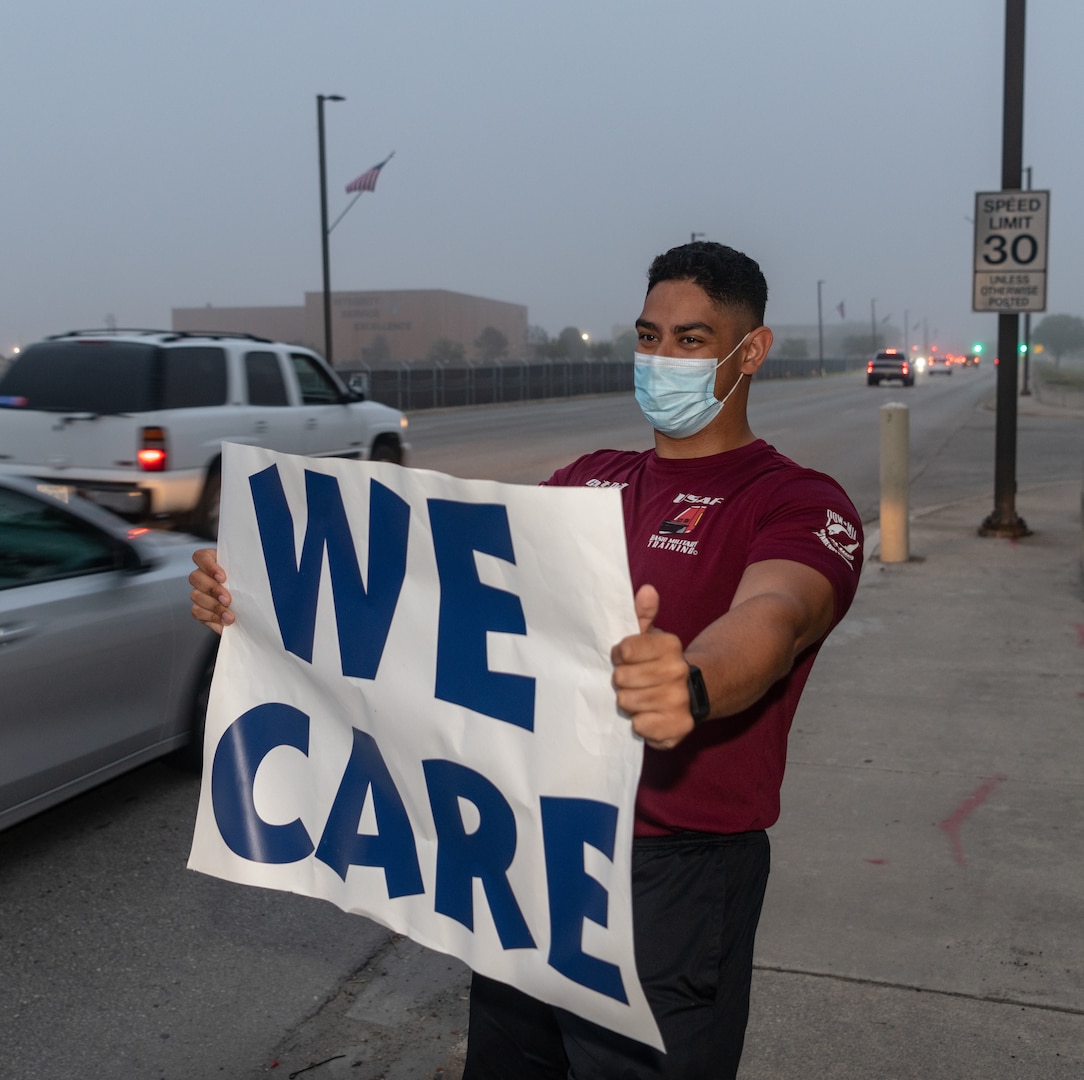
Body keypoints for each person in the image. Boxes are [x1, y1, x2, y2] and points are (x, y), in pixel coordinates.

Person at [187, 241, 862, 1079]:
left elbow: (779, 614)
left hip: (670, 875)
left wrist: (687, 679)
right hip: (528, 858)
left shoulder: (794, 500)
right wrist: (263, 597)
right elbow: (431, 589)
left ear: (749, 352)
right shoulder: (586, 482)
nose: (661, 360)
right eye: (649, 336)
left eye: (691, 341)